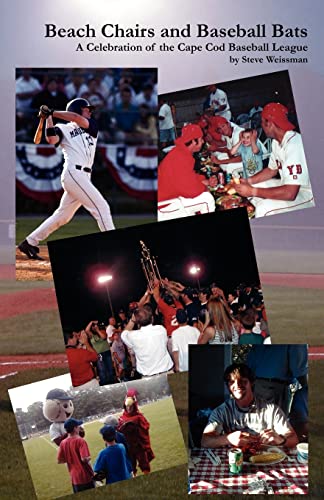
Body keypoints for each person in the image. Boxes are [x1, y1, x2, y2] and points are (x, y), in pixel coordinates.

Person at [18, 98, 115, 260]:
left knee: (63, 216)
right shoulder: (63, 128)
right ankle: (115, 247)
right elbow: (51, 140)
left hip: (84, 176)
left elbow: (76, 119)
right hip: (73, 173)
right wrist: (48, 118)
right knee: (102, 208)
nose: (90, 111)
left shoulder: (91, 125)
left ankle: (29, 242)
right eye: (86, 109)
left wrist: (51, 112)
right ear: (77, 108)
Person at [235, 103, 315, 217]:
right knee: (254, 188)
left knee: (264, 208)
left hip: (307, 194)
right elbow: (271, 170)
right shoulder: (276, 141)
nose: (261, 125)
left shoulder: (295, 144)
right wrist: (249, 181)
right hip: (287, 185)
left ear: (269, 123)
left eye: (262, 122)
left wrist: (253, 191)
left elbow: (290, 193)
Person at [201, 363, 299, 449]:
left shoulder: (272, 410)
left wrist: (281, 440)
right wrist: (227, 439)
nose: (237, 385)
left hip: (264, 459)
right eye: (231, 382)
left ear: (251, 383)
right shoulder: (221, 411)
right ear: (228, 387)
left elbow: (294, 439)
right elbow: (205, 441)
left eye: (242, 380)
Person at [158, 123, 216, 221]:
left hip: (169, 197)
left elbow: (188, 176)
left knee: (201, 197)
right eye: (201, 139)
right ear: (193, 141)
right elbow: (190, 191)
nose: (203, 142)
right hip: (165, 204)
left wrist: (204, 180)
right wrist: (205, 187)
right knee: (207, 198)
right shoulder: (181, 157)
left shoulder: (181, 152)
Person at [121, 306, 174, 377]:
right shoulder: (161, 329)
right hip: (168, 373)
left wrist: (132, 321)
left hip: (148, 378)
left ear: (137, 322)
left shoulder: (133, 336)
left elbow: (123, 334)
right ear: (152, 318)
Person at [117, 389, 155, 475]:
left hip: (139, 446)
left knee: (144, 463)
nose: (129, 408)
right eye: (127, 406)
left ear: (134, 406)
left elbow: (145, 427)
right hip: (128, 446)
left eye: (131, 406)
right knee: (131, 465)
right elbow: (119, 431)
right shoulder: (122, 418)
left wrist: (135, 428)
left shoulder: (139, 417)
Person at [57, 418, 94, 494]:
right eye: (78, 426)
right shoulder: (80, 440)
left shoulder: (63, 443)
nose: (79, 428)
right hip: (85, 477)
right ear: (75, 428)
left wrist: (71, 459)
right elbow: (84, 459)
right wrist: (89, 458)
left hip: (74, 478)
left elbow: (60, 460)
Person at [85, 321, 115, 385]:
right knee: (102, 370)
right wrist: (91, 322)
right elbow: (86, 330)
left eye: (95, 326)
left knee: (110, 368)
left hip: (106, 352)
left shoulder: (102, 331)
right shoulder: (91, 335)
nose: (94, 327)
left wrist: (98, 330)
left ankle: (112, 383)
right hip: (99, 354)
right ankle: (104, 383)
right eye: (93, 326)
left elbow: (104, 337)